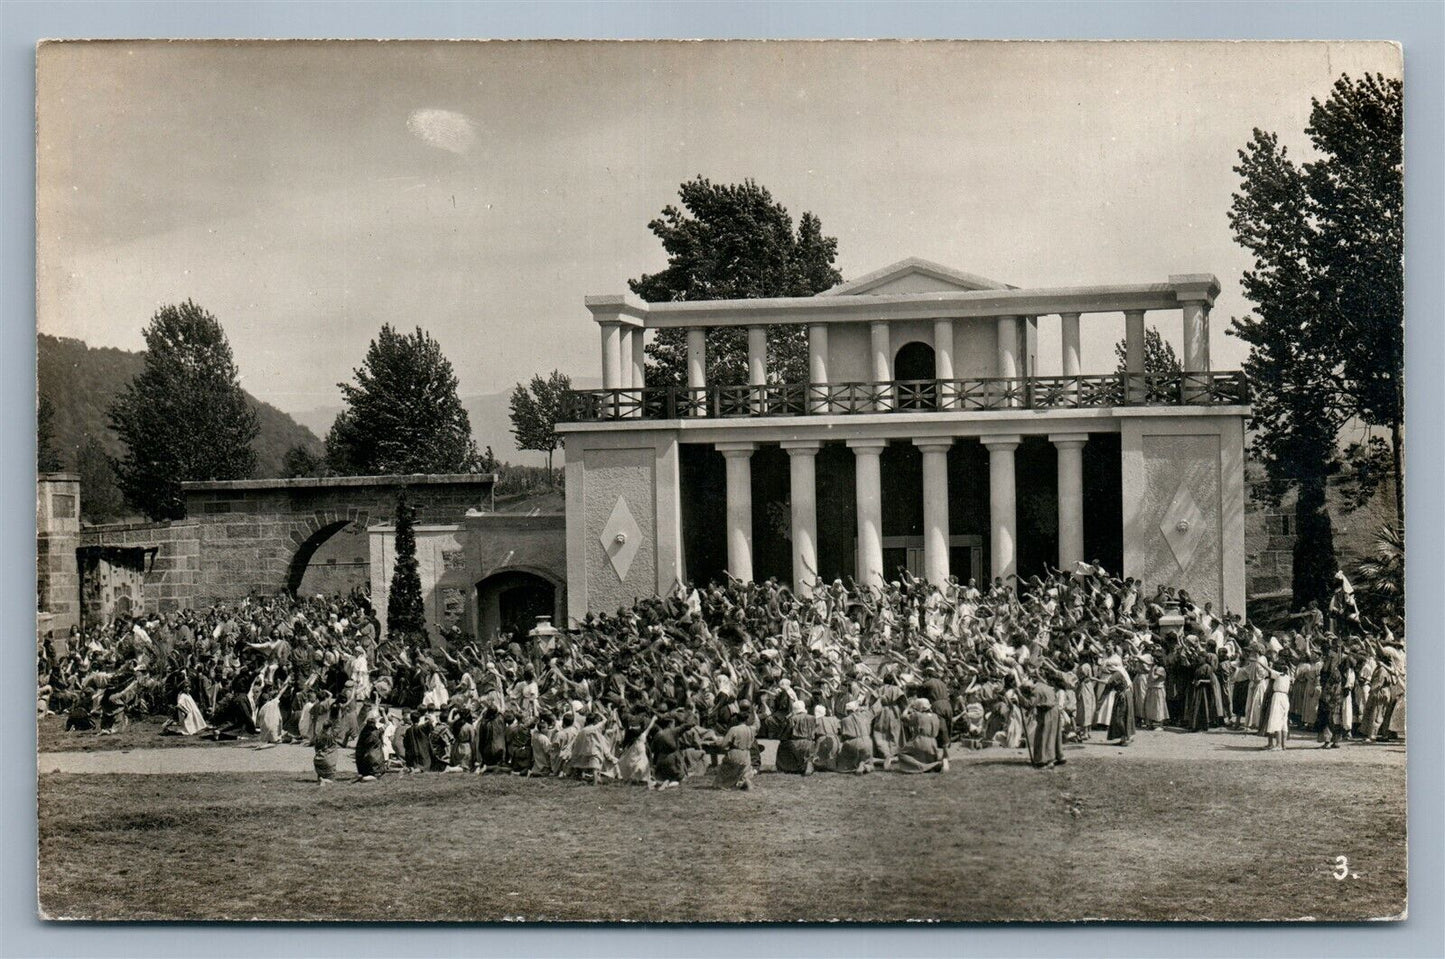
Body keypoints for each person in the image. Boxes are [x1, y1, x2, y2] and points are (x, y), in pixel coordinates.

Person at [1026, 677, 1065, 769]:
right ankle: (1059, 756)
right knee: (1054, 736)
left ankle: (1044, 760)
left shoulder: (1035, 691)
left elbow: (1029, 704)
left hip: (1046, 712)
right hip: (1055, 712)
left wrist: (1019, 697)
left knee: (1044, 736)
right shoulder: (1044, 685)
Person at [354, 707, 387, 780]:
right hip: (375, 759)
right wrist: (383, 712)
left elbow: (363, 723)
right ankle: (367, 778)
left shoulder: (363, 734)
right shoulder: (377, 732)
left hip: (364, 759)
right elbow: (387, 723)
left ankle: (363, 775)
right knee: (377, 775)